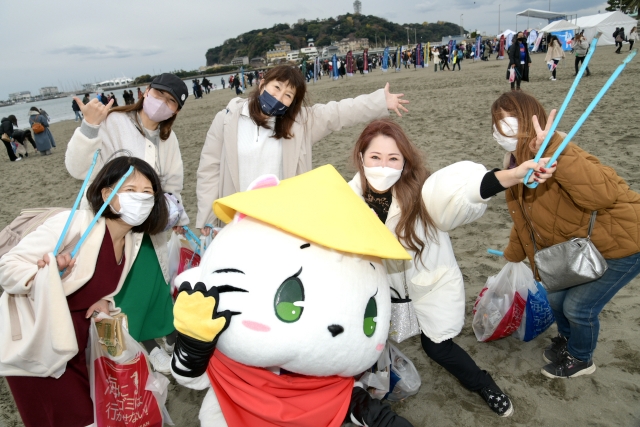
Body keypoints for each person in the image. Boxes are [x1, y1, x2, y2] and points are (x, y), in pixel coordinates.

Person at [348, 118, 555, 416]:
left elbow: (463, 192)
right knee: (367, 344)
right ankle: (363, 393)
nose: (383, 166)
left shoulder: (422, 192)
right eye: (375, 157)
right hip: (379, 291)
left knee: (437, 347)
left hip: (429, 284)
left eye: (393, 158)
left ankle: (483, 384)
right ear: (361, 157)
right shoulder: (348, 200)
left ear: (405, 161)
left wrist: (512, 175)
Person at [0, 156, 168, 427]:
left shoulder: (131, 240)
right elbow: (8, 266)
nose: (141, 198)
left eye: (148, 192)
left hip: (80, 348)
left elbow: (100, 281)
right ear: (107, 193)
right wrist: (47, 275)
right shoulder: (74, 223)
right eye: (130, 190)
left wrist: (104, 300)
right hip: (42, 346)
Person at [491, 90, 640, 379]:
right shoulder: (515, 164)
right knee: (556, 297)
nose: (501, 131)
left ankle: (581, 358)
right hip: (583, 247)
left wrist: (552, 146)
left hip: (625, 242)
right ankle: (569, 340)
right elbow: (524, 219)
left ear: (529, 122)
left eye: (509, 123)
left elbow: (603, 194)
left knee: (578, 307)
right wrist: (513, 256)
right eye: (496, 124)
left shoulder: (560, 151)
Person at [66, 73, 190, 373]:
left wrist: (176, 215)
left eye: (171, 102)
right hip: (112, 225)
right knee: (123, 289)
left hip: (149, 225)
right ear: (146, 91)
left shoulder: (168, 138)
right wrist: (89, 126)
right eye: (159, 95)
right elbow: (78, 168)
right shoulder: (113, 123)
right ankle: (145, 345)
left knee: (155, 286)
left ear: (175, 111)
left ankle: (165, 336)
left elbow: (173, 182)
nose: (162, 104)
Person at [195, 64, 409, 235]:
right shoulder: (227, 119)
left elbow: (340, 112)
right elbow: (209, 169)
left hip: (281, 222)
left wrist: (380, 101)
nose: (279, 97)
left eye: (288, 95)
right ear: (262, 84)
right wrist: (207, 216)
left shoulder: (300, 123)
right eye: (276, 87)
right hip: (235, 219)